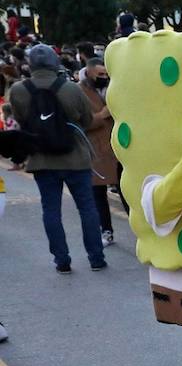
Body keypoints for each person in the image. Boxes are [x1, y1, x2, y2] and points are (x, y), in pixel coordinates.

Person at [9, 44, 105, 273]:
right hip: (75, 158)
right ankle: (96, 258)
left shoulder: (18, 90)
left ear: (30, 64)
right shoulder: (71, 89)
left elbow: (22, 120)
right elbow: (85, 120)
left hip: (42, 159)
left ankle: (62, 261)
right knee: (87, 208)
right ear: (54, 62)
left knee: (51, 210)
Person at [77, 58, 119, 247]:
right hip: (95, 150)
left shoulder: (116, 86)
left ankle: (140, 231)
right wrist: (101, 116)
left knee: (127, 191)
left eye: (106, 74)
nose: (104, 78)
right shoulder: (79, 91)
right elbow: (78, 122)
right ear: (89, 72)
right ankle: (106, 231)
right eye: (100, 75)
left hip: (118, 147)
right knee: (98, 194)